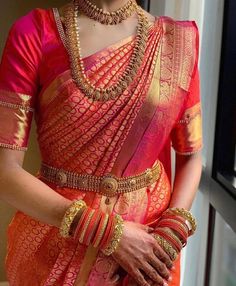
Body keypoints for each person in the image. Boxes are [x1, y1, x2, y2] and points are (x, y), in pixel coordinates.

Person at [0, 0, 203, 285]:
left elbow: (192, 156)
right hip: (57, 238)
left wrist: (172, 232)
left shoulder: (176, 42)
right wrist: (107, 232)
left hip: (150, 245)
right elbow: (5, 172)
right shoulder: (36, 33)